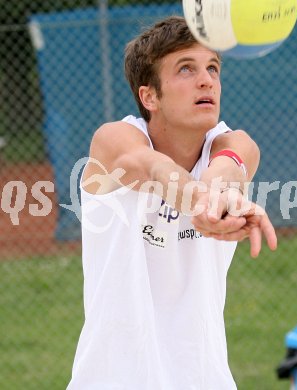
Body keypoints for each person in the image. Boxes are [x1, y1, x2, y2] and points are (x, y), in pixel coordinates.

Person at [67, 15, 277, 390]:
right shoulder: (114, 141)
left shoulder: (233, 144)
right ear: (150, 96)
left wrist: (220, 195)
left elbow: (229, 164)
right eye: (186, 68)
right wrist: (200, 201)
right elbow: (152, 168)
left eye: (213, 67)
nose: (206, 79)